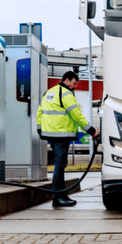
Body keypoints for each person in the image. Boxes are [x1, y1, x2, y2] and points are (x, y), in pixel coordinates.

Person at [36, 71, 97, 207]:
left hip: (51, 134)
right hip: (61, 134)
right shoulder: (66, 94)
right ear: (67, 80)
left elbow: (39, 111)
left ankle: (61, 194)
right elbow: (76, 115)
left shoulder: (49, 92)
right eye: (74, 83)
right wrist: (91, 131)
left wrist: (40, 129)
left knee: (60, 164)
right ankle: (58, 197)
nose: (75, 86)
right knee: (60, 165)